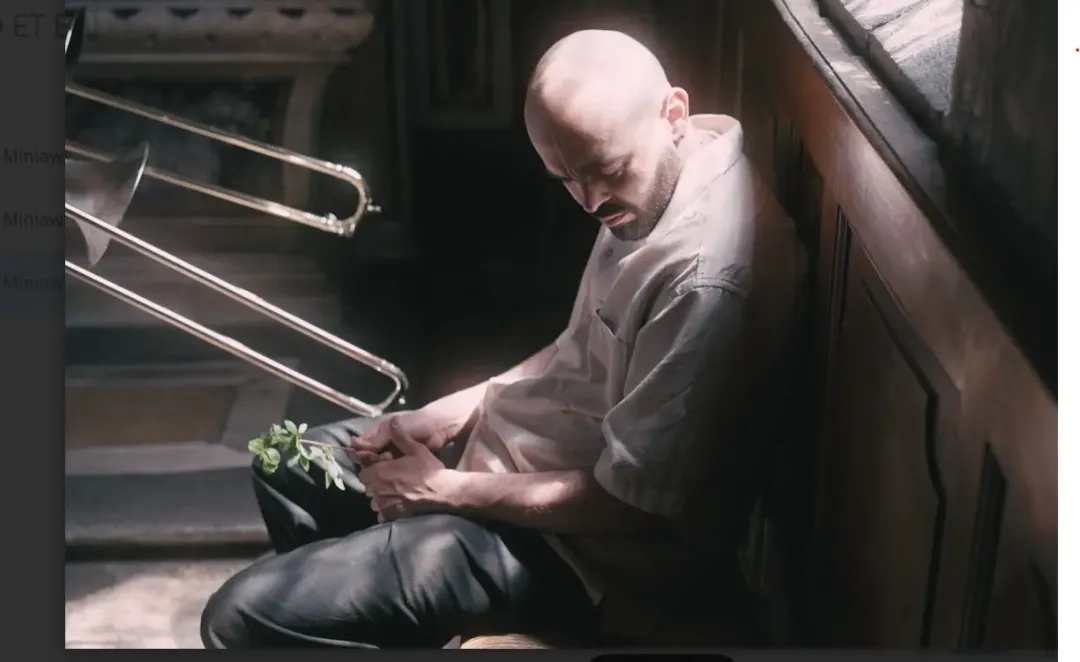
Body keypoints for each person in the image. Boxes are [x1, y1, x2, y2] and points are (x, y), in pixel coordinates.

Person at [200, 29, 807, 648]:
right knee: (285, 467)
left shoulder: (704, 279)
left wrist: (446, 492)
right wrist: (461, 407)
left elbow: (630, 505)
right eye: (566, 178)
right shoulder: (656, 175)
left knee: (238, 618)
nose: (590, 201)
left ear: (673, 112)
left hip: (582, 556)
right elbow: (581, 347)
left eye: (606, 173)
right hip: (523, 464)